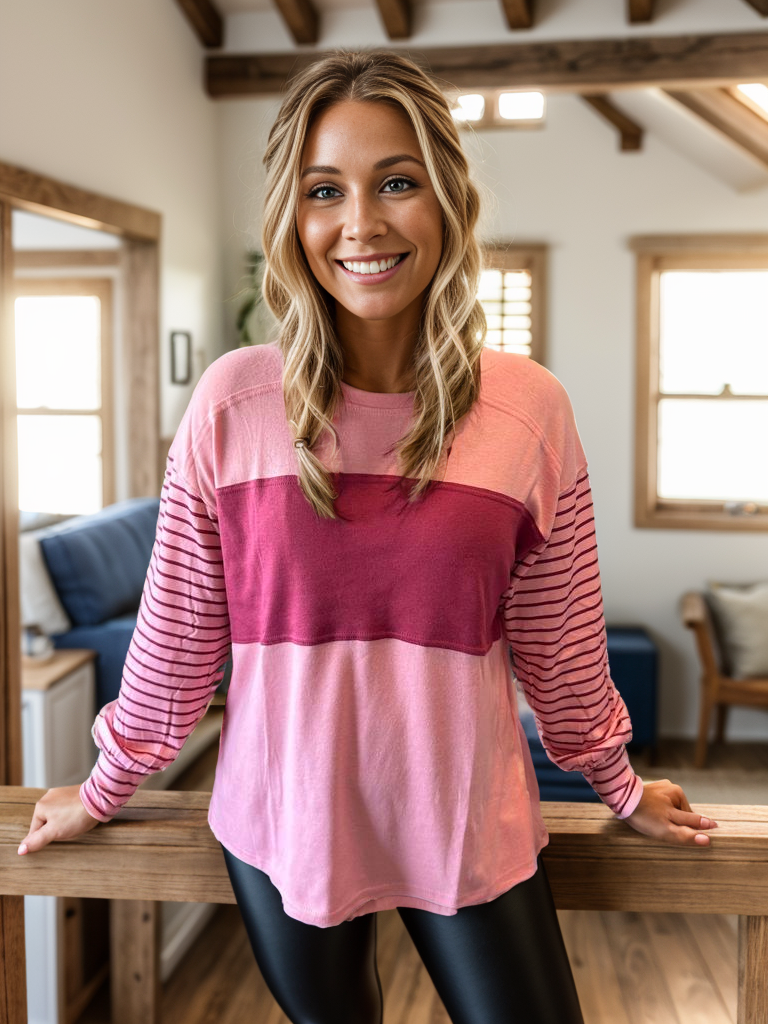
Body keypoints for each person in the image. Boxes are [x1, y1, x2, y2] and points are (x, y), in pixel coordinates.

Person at [19, 48, 718, 1024]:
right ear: (291, 217)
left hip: (467, 820)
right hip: (284, 817)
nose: (362, 222)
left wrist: (620, 783)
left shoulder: (530, 410)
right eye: (324, 190)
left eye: (397, 181)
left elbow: (561, 646)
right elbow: (176, 641)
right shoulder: (233, 405)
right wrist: (102, 788)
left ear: (447, 198)